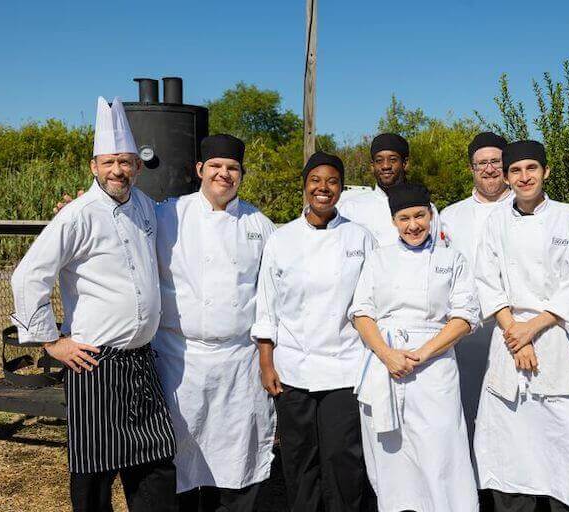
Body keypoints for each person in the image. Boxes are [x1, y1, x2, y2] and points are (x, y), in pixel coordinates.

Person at [10, 97, 176, 512]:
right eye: (109, 163)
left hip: (141, 361)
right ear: (93, 167)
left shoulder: (144, 208)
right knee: (93, 477)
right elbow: (29, 276)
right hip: (94, 363)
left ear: (138, 166)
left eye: (125, 162)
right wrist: (51, 343)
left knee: (156, 464)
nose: (118, 170)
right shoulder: (77, 216)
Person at [152, 134, 276, 511]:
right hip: (180, 357)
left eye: (233, 168)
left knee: (240, 456)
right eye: (217, 167)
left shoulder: (261, 224)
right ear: (200, 170)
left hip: (240, 361)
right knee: (181, 453)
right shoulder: (166, 215)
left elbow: (272, 293)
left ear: (241, 174)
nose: (224, 174)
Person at [473, 140, 569, 511]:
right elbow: (487, 281)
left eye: (531, 168)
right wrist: (517, 333)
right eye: (515, 170)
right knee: (510, 444)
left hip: (554, 338)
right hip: (509, 339)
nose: (524, 177)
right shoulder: (496, 220)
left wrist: (533, 329)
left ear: (545, 171)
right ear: (508, 177)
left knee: (562, 437)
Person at [252, 151, 377, 511]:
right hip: (293, 368)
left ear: (341, 188)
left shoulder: (360, 237)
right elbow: (267, 306)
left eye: (333, 181)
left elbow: (371, 303)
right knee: (299, 458)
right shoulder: (282, 239)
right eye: (316, 181)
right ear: (305, 186)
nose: (324, 188)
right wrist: (266, 364)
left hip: (345, 367)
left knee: (343, 458)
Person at [350, 182, 481, 512]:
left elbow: (465, 316)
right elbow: (361, 312)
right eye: (404, 218)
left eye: (420, 216)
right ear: (393, 221)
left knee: (441, 452)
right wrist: (387, 354)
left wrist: (422, 354)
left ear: (431, 213)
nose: (413, 225)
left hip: (434, 371)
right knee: (391, 456)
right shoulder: (379, 258)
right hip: (386, 366)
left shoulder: (452, 259)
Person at [440, 132, 513, 457]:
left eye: (495, 161)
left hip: (515, 329)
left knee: (512, 414)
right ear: (471, 168)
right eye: (481, 163)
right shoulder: (451, 216)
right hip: (467, 333)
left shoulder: (526, 207)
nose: (489, 169)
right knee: (467, 409)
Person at [337, 133, 441, 246]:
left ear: (405, 163)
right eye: (379, 160)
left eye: (392, 160)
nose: (385, 166)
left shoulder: (425, 208)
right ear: (372, 166)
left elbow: (438, 253)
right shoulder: (351, 208)